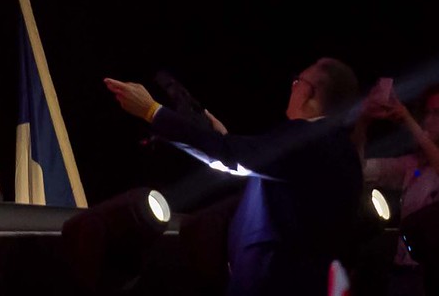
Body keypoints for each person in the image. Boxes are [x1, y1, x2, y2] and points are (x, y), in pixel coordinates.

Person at [105, 57, 365, 296]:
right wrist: (226, 141)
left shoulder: (311, 140)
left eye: (299, 81)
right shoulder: (338, 148)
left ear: (311, 92)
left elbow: (233, 158)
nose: (293, 86)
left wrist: (153, 112)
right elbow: (258, 166)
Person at [360, 80, 439, 294]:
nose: (428, 120)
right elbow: (363, 170)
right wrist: (363, 120)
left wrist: (410, 122)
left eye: (438, 113)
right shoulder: (413, 165)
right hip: (405, 274)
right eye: (426, 113)